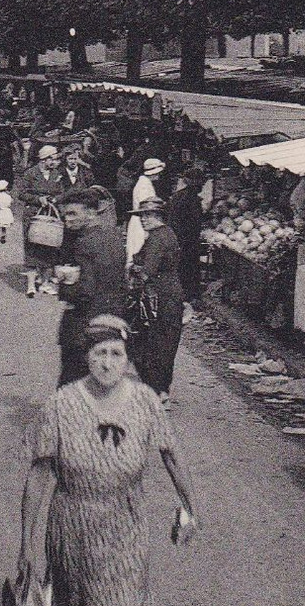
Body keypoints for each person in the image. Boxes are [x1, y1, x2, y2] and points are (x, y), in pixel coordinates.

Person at [18, 314, 199, 606]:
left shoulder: (145, 401)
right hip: (74, 526)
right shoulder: (61, 404)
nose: (107, 364)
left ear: (128, 359)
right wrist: (26, 545)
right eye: (99, 354)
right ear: (86, 357)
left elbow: (171, 454)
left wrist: (190, 507)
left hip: (126, 523)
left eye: (116, 354)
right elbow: (40, 477)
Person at [55, 189, 128, 387]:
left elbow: (84, 291)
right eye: (64, 215)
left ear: (90, 213)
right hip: (114, 317)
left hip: (84, 321)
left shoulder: (84, 244)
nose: (66, 220)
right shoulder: (115, 237)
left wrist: (64, 285)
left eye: (72, 214)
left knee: (72, 380)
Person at [129, 198, 184, 409]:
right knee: (167, 343)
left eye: (147, 216)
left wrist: (134, 270)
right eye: (141, 216)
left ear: (158, 217)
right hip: (171, 293)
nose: (143, 220)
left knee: (152, 343)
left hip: (158, 295)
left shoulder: (157, 239)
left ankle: (154, 392)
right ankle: (162, 391)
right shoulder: (167, 234)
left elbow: (147, 272)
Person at [18, 144, 65, 297]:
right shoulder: (31, 173)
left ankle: (45, 282)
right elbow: (22, 194)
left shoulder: (56, 174)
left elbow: (61, 193)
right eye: (52, 158)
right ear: (44, 159)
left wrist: (54, 199)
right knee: (32, 247)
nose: (55, 161)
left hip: (50, 214)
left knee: (49, 247)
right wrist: (38, 199)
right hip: (33, 215)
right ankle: (31, 285)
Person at [165, 167, 205, 319]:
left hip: (178, 238)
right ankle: (189, 297)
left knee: (181, 267)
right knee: (189, 267)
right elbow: (195, 222)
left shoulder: (177, 196)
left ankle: (182, 295)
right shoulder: (192, 199)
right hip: (188, 240)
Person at [125, 158, 166, 264]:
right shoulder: (144, 185)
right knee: (138, 251)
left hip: (143, 220)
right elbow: (147, 207)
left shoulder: (145, 183)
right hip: (141, 221)